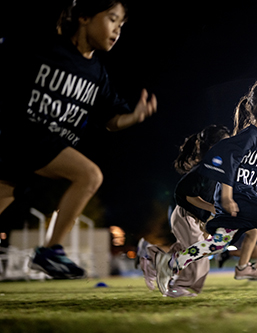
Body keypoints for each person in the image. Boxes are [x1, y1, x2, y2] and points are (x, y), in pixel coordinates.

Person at [0, 0, 157, 279]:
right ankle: (49, 252)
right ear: (84, 17)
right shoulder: (45, 47)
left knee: (6, 192)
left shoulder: (97, 73)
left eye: (121, 26)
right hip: (26, 136)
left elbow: (111, 119)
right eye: (111, 19)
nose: (117, 30)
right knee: (89, 176)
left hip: (30, 153)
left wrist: (134, 117)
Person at [154, 79, 257, 298]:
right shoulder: (249, 137)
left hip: (246, 196)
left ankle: (171, 263)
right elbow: (227, 163)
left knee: (219, 243)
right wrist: (226, 195)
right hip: (239, 193)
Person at [139, 124, 231, 297]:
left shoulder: (218, 170)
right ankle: (178, 287)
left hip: (197, 219)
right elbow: (185, 195)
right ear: (212, 147)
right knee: (199, 254)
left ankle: (151, 257)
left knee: (184, 252)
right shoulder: (203, 171)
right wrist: (211, 207)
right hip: (185, 216)